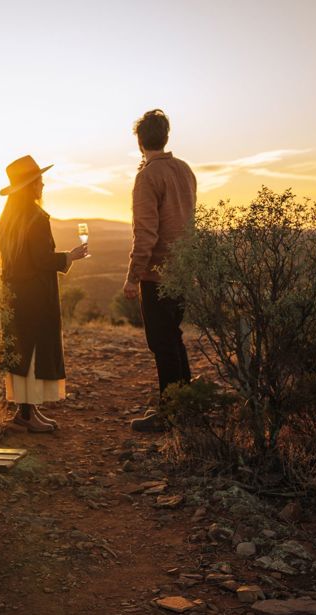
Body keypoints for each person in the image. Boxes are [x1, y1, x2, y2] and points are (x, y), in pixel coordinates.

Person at [0, 155, 88, 433]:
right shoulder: (36, 217)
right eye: (39, 180)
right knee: (34, 353)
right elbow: (41, 259)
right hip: (35, 295)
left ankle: (26, 412)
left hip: (14, 294)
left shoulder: (9, 218)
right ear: (30, 185)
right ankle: (26, 415)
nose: (43, 184)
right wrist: (70, 256)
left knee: (21, 352)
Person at [123, 109, 197, 432]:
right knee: (174, 337)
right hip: (183, 272)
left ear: (140, 142)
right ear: (165, 137)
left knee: (162, 342)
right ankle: (185, 408)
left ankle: (170, 415)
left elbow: (146, 234)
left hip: (157, 274)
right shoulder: (184, 170)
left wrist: (133, 276)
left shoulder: (147, 177)